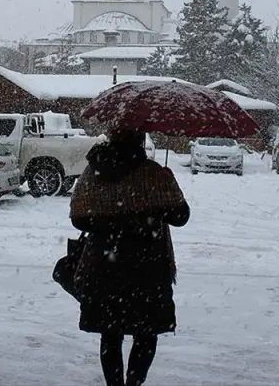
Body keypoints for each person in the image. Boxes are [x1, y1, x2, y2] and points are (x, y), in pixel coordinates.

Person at [69, 128, 190, 386]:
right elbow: (181, 217)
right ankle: (134, 383)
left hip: (104, 264)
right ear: (141, 140)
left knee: (110, 334)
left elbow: (79, 219)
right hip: (148, 269)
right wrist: (161, 193)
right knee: (146, 333)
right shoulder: (153, 174)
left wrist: (109, 221)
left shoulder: (94, 172)